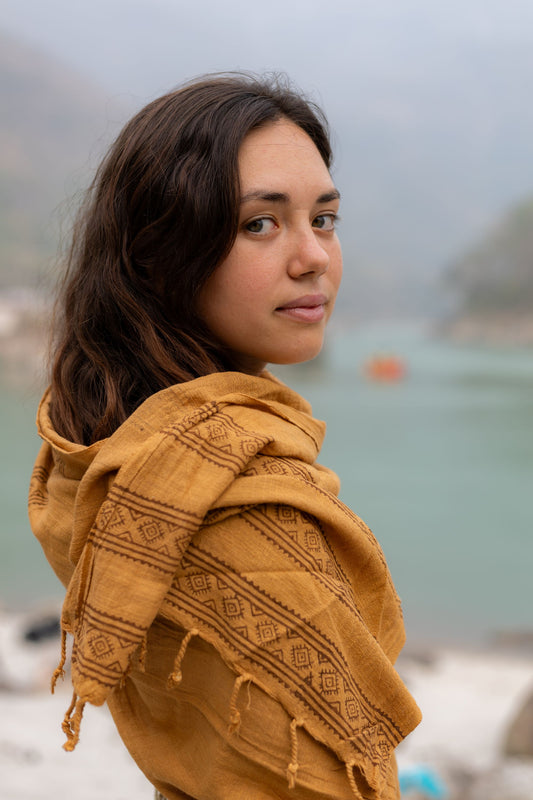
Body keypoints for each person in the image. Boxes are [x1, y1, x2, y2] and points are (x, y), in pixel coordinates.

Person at [28, 73, 421, 800]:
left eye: (324, 219)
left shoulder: (104, 448)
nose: (313, 258)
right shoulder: (235, 502)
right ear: (161, 251)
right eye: (259, 224)